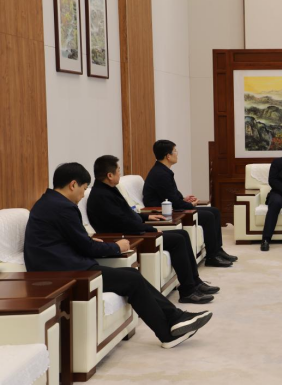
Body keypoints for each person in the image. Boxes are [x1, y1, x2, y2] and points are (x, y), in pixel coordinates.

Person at [24, 163, 212, 348]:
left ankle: (175, 318)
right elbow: (87, 247)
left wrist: (91, 242)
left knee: (132, 275)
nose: (82, 195)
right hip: (62, 273)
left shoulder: (49, 202)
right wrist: (116, 247)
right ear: (73, 184)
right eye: (83, 188)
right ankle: (167, 332)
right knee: (132, 280)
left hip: (61, 266)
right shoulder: (63, 207)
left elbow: (71, 239)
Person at [87, 155, 218, 304]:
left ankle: (195, 282)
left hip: (132, 231)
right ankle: (188, 291)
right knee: (178, 239)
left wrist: (146, 217)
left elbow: (127, 214)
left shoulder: (108, 190)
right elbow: (122, 222)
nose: (120, 174)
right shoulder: (101, 196)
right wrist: (151, 229)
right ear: (109, 175)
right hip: (126, 237)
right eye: (118, 171)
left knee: (182, 234)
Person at [143, 140, 237, 268]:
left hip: (170, 207)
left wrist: (184, 199)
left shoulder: (163, 170)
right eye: (175, 151)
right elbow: (173, 202)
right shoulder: (161, 174)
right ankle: (212, 256)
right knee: (208, 216)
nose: (177, 153)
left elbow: (171, 195)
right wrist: (191, 205)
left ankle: (217, 250)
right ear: (168, 156)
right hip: (164, 212)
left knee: (214, 211)